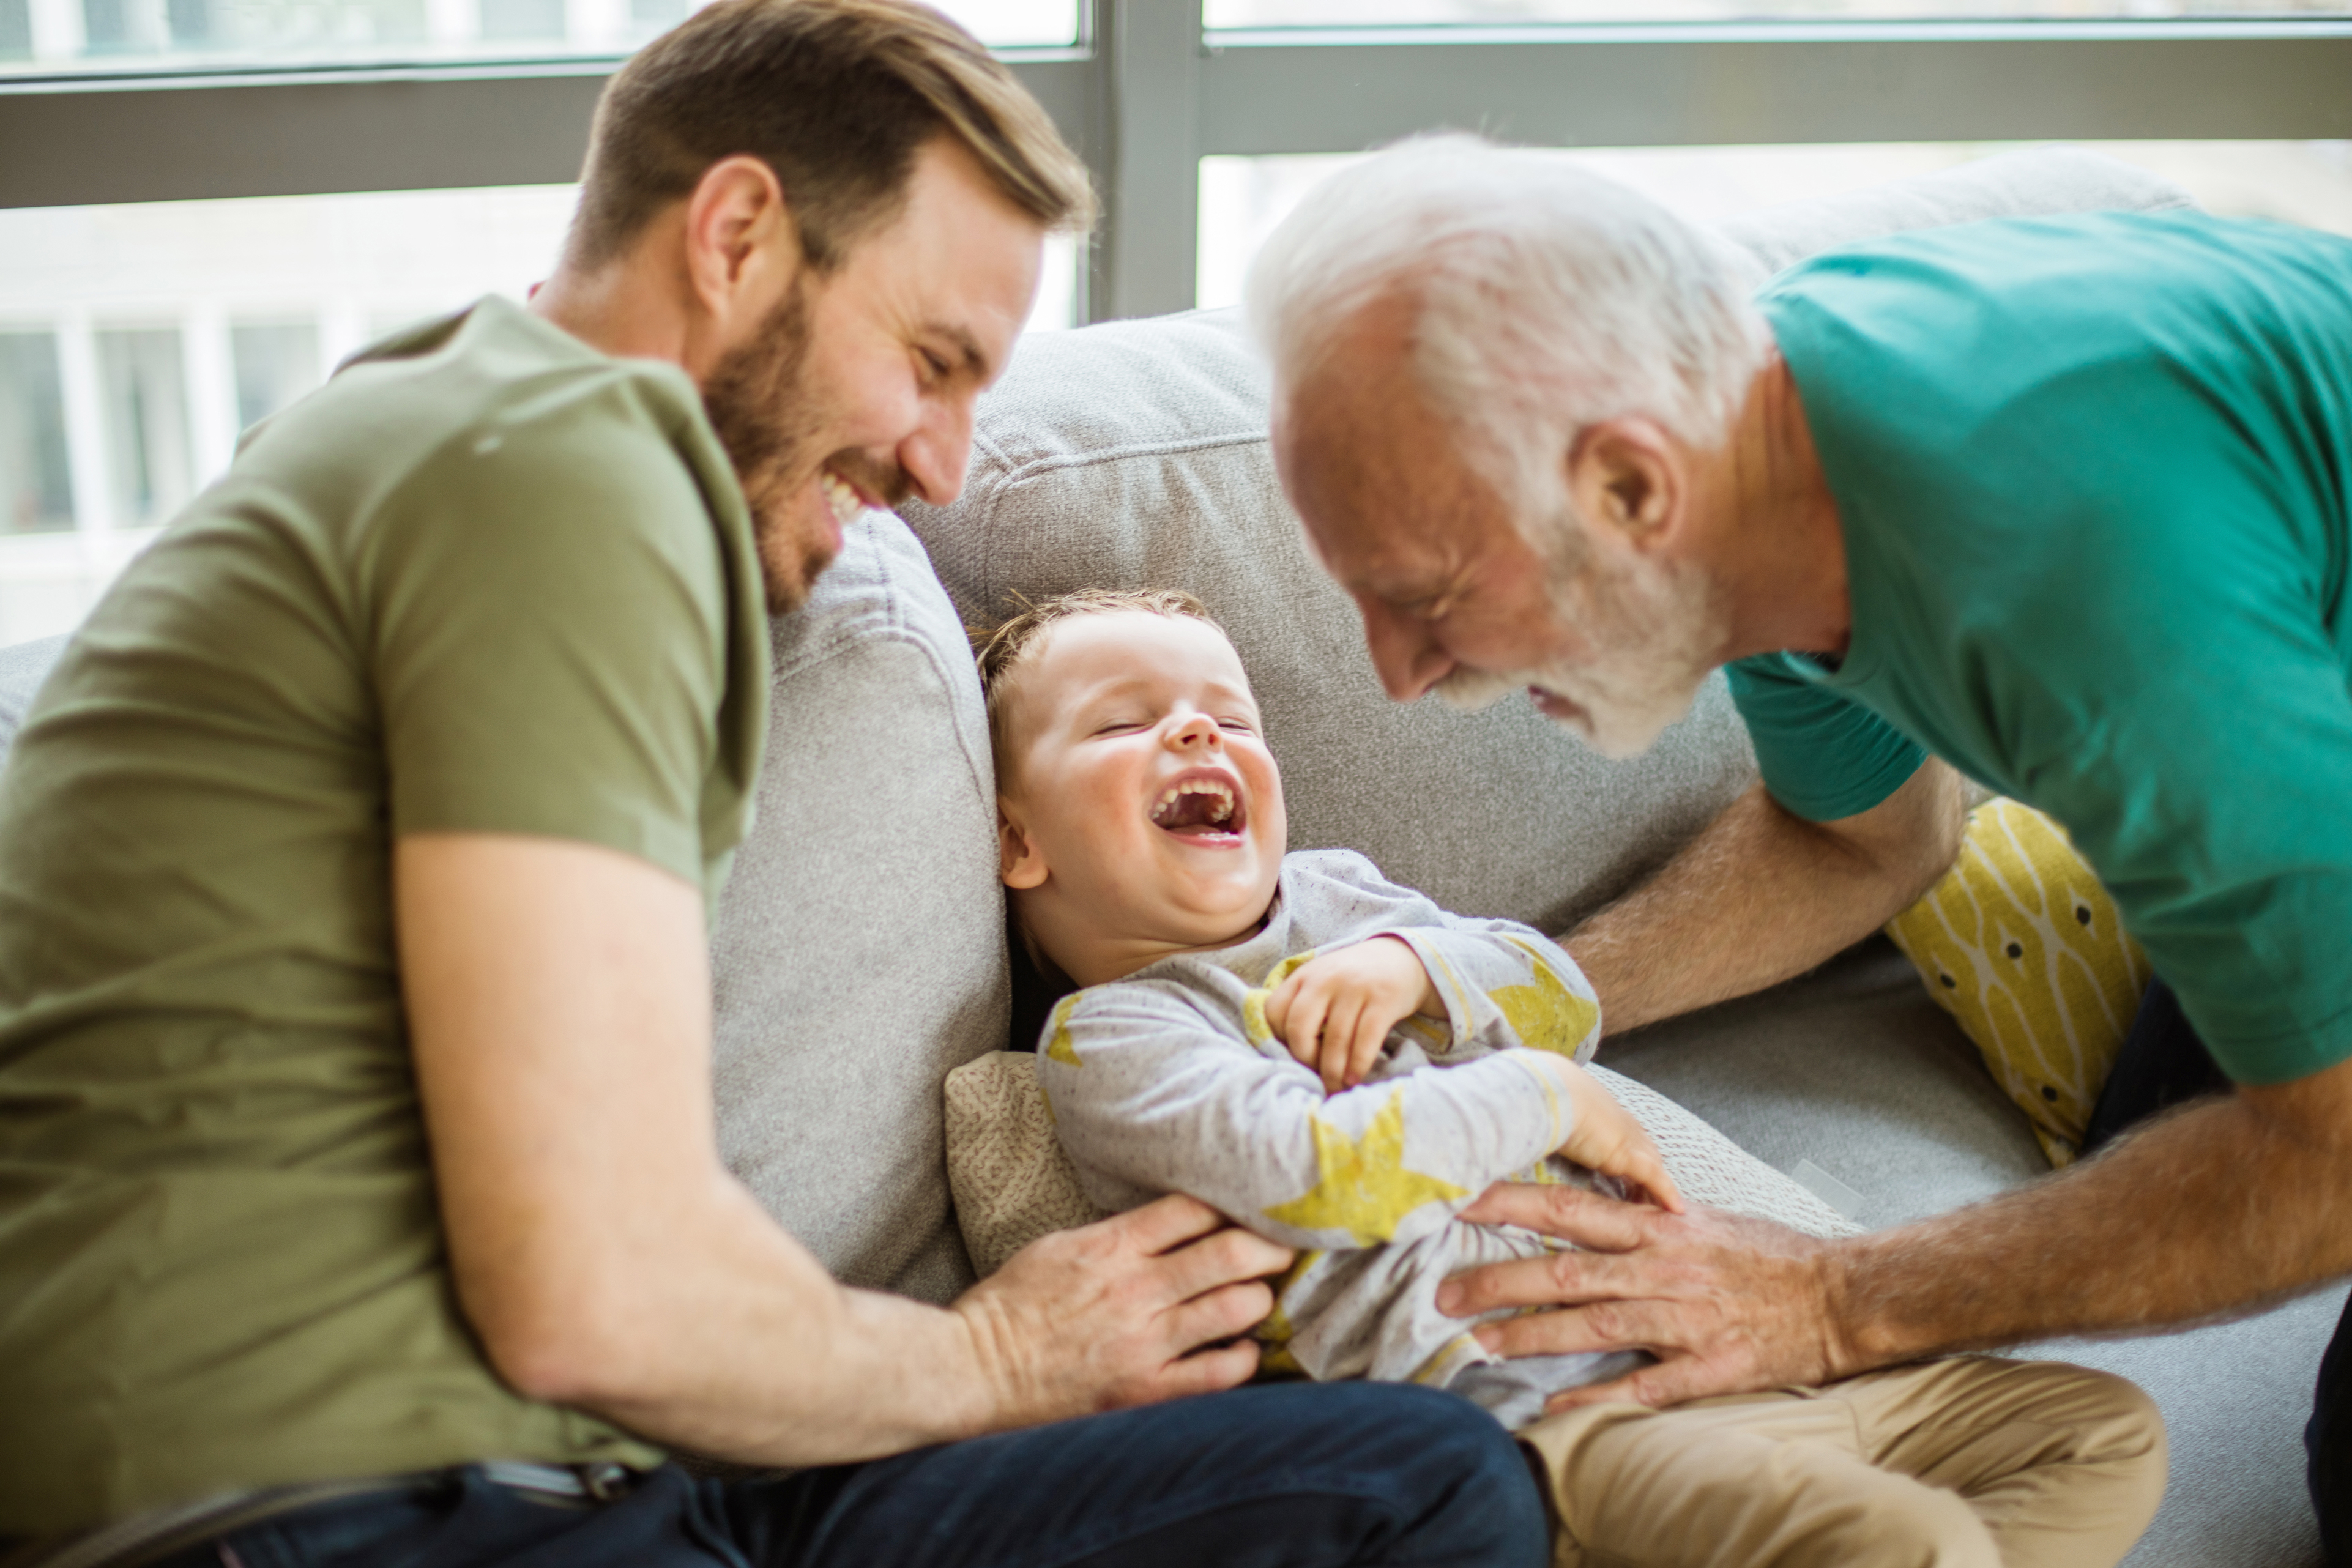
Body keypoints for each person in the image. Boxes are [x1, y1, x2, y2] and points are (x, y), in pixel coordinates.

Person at [0, 18, 1549, 1566]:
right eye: (929, 365)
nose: (943, 466)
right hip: (328, 1511)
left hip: (550, 1479)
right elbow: (587, 1291)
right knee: (1414, 1493)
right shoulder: (562, 478)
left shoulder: (443, 432)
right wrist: (993, 1363)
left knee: (1406, 1477)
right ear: (736, 236)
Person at [1248, 132, 2352, 1556]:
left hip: (2197, 654)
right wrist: (1487, 1002)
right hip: (2278, 703)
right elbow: (1853, 847)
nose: (1399, 673)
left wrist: (1830, 1298)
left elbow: (2322, 1154)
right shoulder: (1769, 468)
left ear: (1631, 492)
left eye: (1426, 596)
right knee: (2142, 1142)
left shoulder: (2061, 577)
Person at [980, 584, 2166, 1568]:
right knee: (1907, 1542)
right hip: (1552, 1425)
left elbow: (1562, 1001)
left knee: (2101, 1428)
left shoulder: (1342, 900)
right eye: (1120, 722)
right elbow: (1306, 1176)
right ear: (1020, 842)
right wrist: (1536, 1100)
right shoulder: (1118, 1034)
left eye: (1228, 717)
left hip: (1718, 1345)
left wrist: (1418, 963)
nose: (1195, 735)